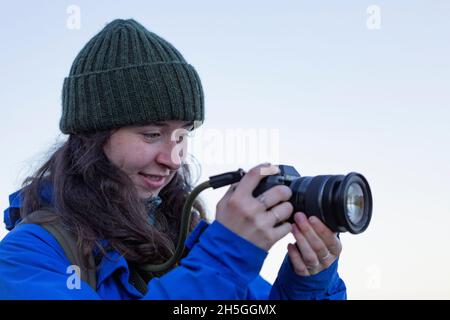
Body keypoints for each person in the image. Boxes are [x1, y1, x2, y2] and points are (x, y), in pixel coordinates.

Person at [0, 19, 346, 300]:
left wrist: (309, 283)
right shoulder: (30, 255)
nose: (173, 159)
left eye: (182, 136)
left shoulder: (193, 240)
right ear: (92, 137)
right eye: (151, 134)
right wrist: (227, 256)